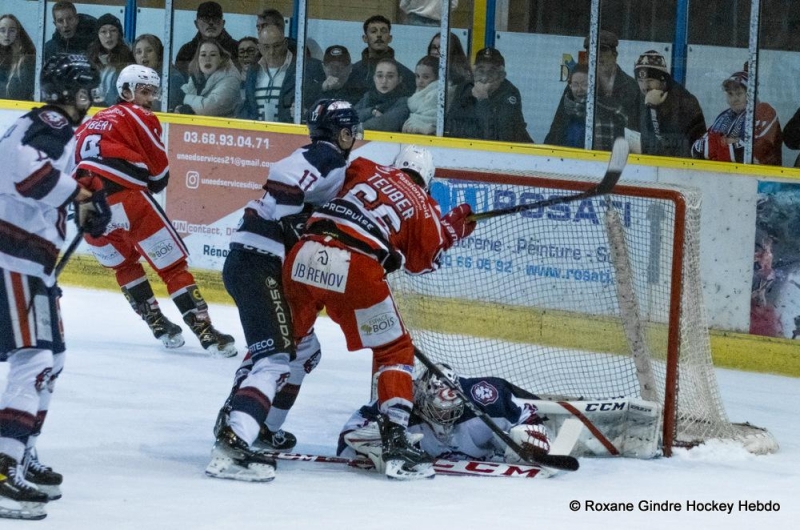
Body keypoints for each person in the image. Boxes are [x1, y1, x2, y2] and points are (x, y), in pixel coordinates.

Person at [279, 145, 477, 480]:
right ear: (426, 179)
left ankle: (255, 424)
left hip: (304, 250)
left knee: (288, 345)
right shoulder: (423, 203)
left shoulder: (363, 166)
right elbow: (421, 263)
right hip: (355, 265)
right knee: (394, 350)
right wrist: (450, 231)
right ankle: (397, 444)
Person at [206, 99, 364, 483]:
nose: (354, 140)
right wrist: (292, 222)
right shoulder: (326, 156)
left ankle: (260, 427)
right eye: (352, 133)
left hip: (258, 262)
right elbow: (283, 179)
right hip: (259, 262)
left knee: (305, 352)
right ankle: (233, 442)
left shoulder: (324, 156)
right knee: (275, 359)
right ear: (342, 134)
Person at [0, 53, 109, 521]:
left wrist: (78, 194)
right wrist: (80, 194)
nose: (90, 96)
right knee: (35, 358)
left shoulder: (50, 126)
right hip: (13, 256)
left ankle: (19, 451)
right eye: (85, 88)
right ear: (69, 92)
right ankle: (3, 467)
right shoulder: (53, 121)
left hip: (29, 262)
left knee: (52, 358)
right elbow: (18, 168)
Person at [72, 64, 237, 357]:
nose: (150, 99)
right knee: (172, 267)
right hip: (127, 199)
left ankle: (158, 324)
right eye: (144, 91)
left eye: (153, 92)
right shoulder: (140, 115)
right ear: (125, 92)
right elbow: (160, 175)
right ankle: (205, 331)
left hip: (87, 210)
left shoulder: (88, 123)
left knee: (124, 266)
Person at [338, 363, 551, 465]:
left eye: (452, 410)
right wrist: (372, 445)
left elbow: (529, 418)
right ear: (421, 401)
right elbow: (347, 438)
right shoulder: (400, 405)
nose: (446, 418)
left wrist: (530, 436)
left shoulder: (487, 398)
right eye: (438, 410)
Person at [237, 21, 324, 123]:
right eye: (266, 47)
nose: (272, 51)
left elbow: (321, 104)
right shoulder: (253, 71)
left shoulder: (307, 67)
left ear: (285, 43)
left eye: (276, 46)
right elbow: (250, 107)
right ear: (259, 48)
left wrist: (308, 113)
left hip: (292, 134)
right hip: (259, 135)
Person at [691, 69, 782, 166]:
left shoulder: (764, 112)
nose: (734, 99)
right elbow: (696, 149)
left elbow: (754, 154)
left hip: (759, 178)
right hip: (724, 176)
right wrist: (730, 143)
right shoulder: (724, 115)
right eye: (730, 94)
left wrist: (718, 145)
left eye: (739, 94)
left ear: (750, 94)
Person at [445, 47, 534, 143]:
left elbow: (500, 137)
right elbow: (450, 127)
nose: (484, 78)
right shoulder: (464, 88)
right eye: (480, 71)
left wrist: (483, 100)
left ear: (501, 76)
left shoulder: (510, 94)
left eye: (491, 72)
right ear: (474, 73)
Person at [634, 49, 706, 158]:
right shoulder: (639, 97)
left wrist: (655, 109)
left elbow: (683, 144)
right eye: (640, 81)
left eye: (649, 81)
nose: (644, 87)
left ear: (663, 79)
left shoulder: (685, 102)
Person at [580, 30, 641, 151]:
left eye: (603, 49)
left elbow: (639, 131)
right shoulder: (579, 85)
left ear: (615, 55)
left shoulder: (631, 87)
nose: (597, 55)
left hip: (622, 161)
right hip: (585, 160)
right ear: (587, 57)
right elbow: (559, 128)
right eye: (592, 50)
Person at [350, 15, 415, 100]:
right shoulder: (353, 72)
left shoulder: (406, 75)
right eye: (373, 31)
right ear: (365, 38)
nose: (379, 35)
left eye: (384, 31)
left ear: (390, 38)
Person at [174, 38, 240, 117]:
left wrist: (184, 98)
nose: (207, 59)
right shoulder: (197, 77)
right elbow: (181, 96)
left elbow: (209, 108)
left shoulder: (231, 78)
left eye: (213, 55)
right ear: (197, 59)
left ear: (221, 58)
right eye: (203, 55)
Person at [175, 1, 238, 76]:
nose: (211, 22)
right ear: (196, 24)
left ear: (223, 23)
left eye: (216, 18)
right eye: (205, 18)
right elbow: (181, 80)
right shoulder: (186, 52)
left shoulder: (236, 49)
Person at [86, 13, 134, 107]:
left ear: (119, 34)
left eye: (113, 31)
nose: (108, 35)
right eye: (103, 32)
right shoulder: (90, 58)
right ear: (97, 35)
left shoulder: (129, 58)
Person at [354, 57, 410, 132]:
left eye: (390, 76)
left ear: (399, 79)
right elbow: (351, 116)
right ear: (374, 78)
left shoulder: (404, 102)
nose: (384, 81)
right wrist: (372, 111)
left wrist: (358, 128)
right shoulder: (368, 96)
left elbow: (387, 123)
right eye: (380, 76)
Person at [132, 34, 184, 112]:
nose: (143, 55)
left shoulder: (173, 78)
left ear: (159, 54)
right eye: (139, 52)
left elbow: (164, 108)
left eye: (149, 50)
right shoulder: (133, 78)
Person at [544, 63, 589, 148]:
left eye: (584, 84)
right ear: (570, 86)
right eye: (575, 85)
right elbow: (552, 140)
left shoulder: (597, 112)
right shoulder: (564, 110)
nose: (580, 89)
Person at [0, 14, 36, 101]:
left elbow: (21, 92)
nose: (6, 35)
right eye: (2, 30)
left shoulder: (27, 60)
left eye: (11, 30)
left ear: (18, 33)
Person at [402, 55, 440, 134]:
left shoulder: (436, 96)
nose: (420, 81)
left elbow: (431, 119)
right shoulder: (417, 95)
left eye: (425, 77)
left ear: (437, 78)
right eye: (417, 76)